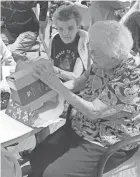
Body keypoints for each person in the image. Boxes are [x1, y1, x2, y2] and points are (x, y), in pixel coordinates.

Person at [28, 21, 140, 177]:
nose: (91, 55)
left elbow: (94, 111)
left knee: (54, 173)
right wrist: (51, 87)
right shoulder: (103, 59)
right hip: (82, 125)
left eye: (95, 52)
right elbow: (82, 80)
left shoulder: (131, 77)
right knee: (38, 156)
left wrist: (56, 85)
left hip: (107, 139)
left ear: (115, 55)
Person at [49, 3, 90, 82]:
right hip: (57, 82)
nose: (65, 33)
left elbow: (76, 77)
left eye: (70, 28)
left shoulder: (81, 41)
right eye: (60, 28)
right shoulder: (55, 39)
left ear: (78, 26)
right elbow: (51, 63)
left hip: (74, 87)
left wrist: (55, 71)